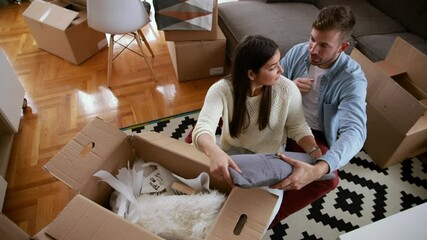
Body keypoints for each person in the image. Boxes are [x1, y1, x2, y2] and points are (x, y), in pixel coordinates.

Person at [191, 35, 323, 227]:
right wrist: (214, 152)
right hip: (232, 155)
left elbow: (297, 127)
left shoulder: (288, 90)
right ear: (251, 74)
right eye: (272, 67)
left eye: (279, 63)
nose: (281, 70)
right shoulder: (221, 90)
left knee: (256, 220)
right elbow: (203, 127)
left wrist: (315, 152)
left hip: (270, 160)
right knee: (213, 209)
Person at [269, 4, 368, 227]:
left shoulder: (352, 79)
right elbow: (270, 83)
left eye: (323, 45)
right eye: (312, 39)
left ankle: (265, 218)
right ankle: (186, 156)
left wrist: (319, 168)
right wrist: (289, 87)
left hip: (312, 134)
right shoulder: (298, 51)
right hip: (282, 115)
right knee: (227, 105)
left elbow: (356, 131)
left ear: (343, 46)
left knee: (328, 179)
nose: (313, 49)